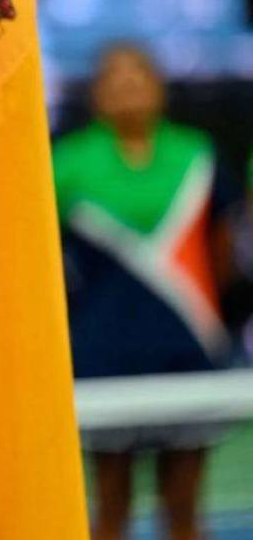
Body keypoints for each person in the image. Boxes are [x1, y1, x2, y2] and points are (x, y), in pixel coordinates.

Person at [53, 43, 237, 540]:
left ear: (159, 87)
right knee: (111, 507)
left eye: (139, 74)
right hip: (103, 355)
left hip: (188, 348)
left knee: (184, 507)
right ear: (97, 93)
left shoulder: (198, 154)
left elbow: (224, 253)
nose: (128, 84)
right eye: (115, 76)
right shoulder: (66, 164)